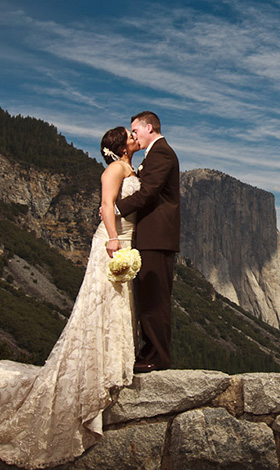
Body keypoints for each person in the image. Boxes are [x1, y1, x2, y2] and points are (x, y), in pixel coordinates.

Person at [0, 127, 140, 469]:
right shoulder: (114, 170)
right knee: (102, 304)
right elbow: (106, 206)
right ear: (120, 145)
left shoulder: (132, 169)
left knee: (118, 305)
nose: (135, 137)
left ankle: (112, 362)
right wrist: (113, 241)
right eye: (129, 135)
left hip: (128, 239)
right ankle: (97, 371)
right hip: (113, 243)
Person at [117, 111, 180, 373]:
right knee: (148, 297)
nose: (133, 136)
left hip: (157, 237)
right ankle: (149, 351)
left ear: (149, 127)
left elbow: (149, 192)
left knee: (155, 299)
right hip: (152, 236)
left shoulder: (162, 153)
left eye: (135, 130)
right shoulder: (153, 154)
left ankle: (157, 357)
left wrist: (115, 208)